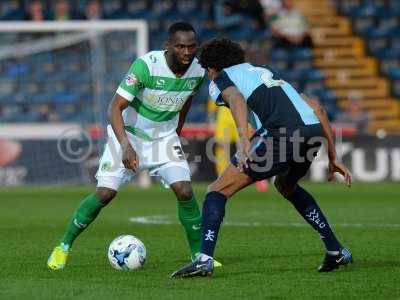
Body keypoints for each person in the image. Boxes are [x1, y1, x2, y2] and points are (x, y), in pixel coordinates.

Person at [171, 38, 353, 278]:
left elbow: (235, 98)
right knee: (286, 185)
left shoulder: (221, 78)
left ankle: (204, 259)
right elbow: (318, 109)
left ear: (212, 67)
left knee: (217, 190)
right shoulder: (265, 71)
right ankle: (335, 249)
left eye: (206, 69)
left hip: (282, 134)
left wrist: (245, 140)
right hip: (311, 132)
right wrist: (333, 156)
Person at [47, 22, 222, 270]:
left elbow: (186, 100)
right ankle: (62, 247)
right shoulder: (146, 66)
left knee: (184, 190)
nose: (186, 51)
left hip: (164, 137)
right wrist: (126, 146)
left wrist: (176, 132)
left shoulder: (197, 70)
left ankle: (199, 256)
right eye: (180, 46)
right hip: (130, 135)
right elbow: (114, 108)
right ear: (168, 46)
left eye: (191, 46)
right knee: (105, 193)